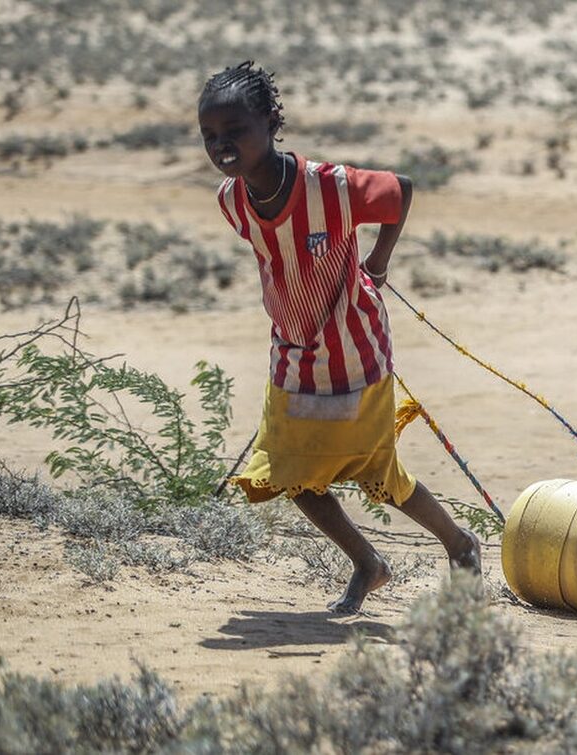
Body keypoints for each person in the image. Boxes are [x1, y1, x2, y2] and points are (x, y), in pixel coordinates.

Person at [197, 61, 479, 614]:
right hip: (292, 352)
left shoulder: (329, 186)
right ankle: (367, 564)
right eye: (211, 136)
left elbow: (400, 191)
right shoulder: (231, 200)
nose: (222, 145)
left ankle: (460, 543)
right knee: (290, 470)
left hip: (355, 346)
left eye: (236, 132)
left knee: (377, 472)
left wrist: (377, 259)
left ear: (271, 123)